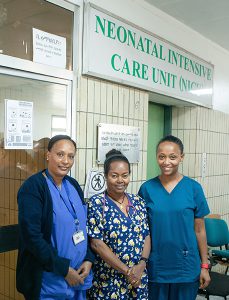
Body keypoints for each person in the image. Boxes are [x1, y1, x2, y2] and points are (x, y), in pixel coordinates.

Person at [16, 135, 93, 300]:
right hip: (48, 282)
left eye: (70, 156)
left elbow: (82, 228)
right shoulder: (33, 188)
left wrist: (88, 259)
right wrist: (65, 270)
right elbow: (32, 237)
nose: (66, 160)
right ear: (48, 155)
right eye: (60, 154)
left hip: (78, 277)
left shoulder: (73, 185)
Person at [138, 135, 211, 300]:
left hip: (185, 266)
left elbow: (200, 230)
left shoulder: (193, 188)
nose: (166, 162)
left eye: (173, 157)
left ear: (181, 157)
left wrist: (204, 265)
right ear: (156, 157)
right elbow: (143, 232)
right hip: (156, 265)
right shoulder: (146, 189)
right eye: (161, 156)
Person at [87, 149, 151, 299]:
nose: (120, 180)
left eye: (125, 175)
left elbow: (146, 235)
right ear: (105, 176)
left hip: (138, 278)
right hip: (109, 281)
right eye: (114, 176)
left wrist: (142, 264)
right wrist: (127, 271)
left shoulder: (138, 202)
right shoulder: (97, 203)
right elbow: (96, 244)